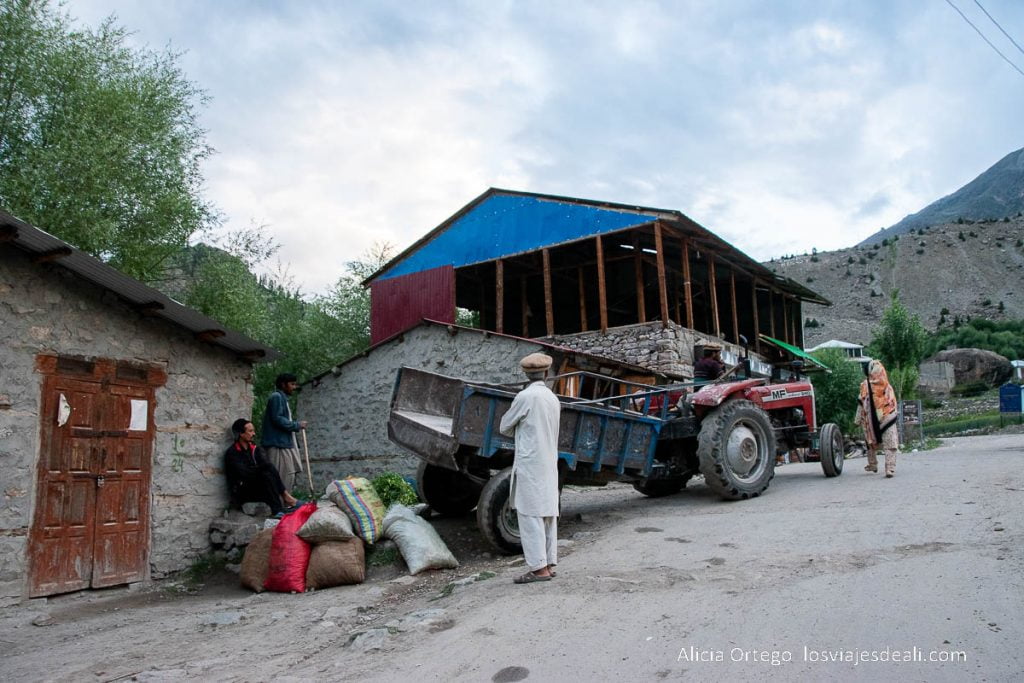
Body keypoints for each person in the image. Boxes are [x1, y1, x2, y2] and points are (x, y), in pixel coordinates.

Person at [499, 352, 561, 585]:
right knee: (547, 513)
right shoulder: (552, 398)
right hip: (548, 462)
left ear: (526, 373)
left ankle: (538, 569)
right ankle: (549, 563)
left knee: (529, 514)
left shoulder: (525, 397)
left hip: (531, 463)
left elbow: (504, 426)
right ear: (545, 373)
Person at [225, 419, 299, 516]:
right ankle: (283, 502)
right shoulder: (233, 453)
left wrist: (262, 464)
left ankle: (281, 505)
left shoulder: (254, 449)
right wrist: (261, 468)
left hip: (257, 486)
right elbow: (245, 474)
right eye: (250, 431)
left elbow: (265, 464)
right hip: (243, 491)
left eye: (253, 431)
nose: (254, 434)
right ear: (241, 434)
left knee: (268, 470)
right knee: (266, 473)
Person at [261, 372, 308, 491]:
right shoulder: (276, 397)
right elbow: (277, 418)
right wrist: (296, 425)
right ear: (283, 384)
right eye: (292, 384)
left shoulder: (282, 398)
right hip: (277, 444)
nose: (294, 387)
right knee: (282, 475)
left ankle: (285, 503)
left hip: (284, 442)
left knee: (288, 474)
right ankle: (280, 504)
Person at [855, 359, 899, 477]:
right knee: (889, 443)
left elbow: (861, 402)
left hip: (876, 420)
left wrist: (857, 420)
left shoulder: (866, 385)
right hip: (886, 417)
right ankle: (887, 467)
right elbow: (892, 402)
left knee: (873, 442)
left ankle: (878, 465)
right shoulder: (886, 385)